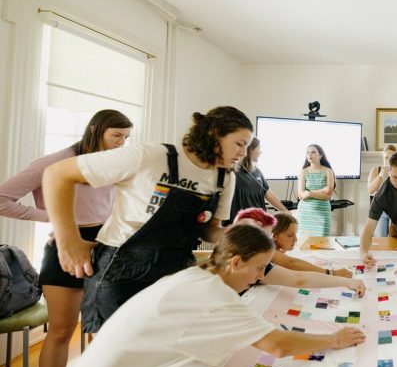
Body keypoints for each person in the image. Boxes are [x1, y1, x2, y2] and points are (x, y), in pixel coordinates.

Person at [41, 224, 365, 367]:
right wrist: (334, 340)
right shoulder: (215, 297)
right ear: (236, 262)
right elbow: (277, 345)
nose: (258, 278)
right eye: (257, 269)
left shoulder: (192, 277)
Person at [43, 105, 253, 333]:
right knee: (113, 353)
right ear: (214, 133)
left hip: (174, 271)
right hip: (120, 270)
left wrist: (229, 234)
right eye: (240, 144)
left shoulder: (225, 179)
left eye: (247, 147)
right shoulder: (150, 156)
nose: (243, 153)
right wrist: (68, 241)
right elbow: (56, 174)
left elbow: (209, 229)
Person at [0, 109, 132, 367]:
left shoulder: (112, 164)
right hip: (65, 250)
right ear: (97, 130)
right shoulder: (53, 163)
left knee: (106, 331)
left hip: (106, 249)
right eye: (117, 136)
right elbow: (2, 199)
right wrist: (55, 218)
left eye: (126, 137)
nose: (122, 143)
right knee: (61, 333)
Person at [234, 208, 352, 277]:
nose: (295, 239)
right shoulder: (266, 249)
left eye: (295, 234)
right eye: (290, 235)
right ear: (274, 236)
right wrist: (332, 273)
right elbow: (292, 263)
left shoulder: (279, 248)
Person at [223, 137, 289, 226]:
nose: (260, 152)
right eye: (259, 149)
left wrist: (285, 211)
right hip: (240, 226)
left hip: (259, 224)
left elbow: (268, 194)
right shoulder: (232, 171)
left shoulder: (257, 171)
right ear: (250, 150)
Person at [297, 144, 335, 236]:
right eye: (308, 152)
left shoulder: (328, 171)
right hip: (305, 214)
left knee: (322, 243)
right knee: (304, 244)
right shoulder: (304, 172)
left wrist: (309, 193)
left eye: (313, 152)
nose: (310, 155)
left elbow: (328, 195)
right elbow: (301, 195)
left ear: (320, 155)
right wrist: (322, 190)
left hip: (322, 214)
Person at [367, 144, 397, 237]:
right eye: (386, 158)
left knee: (394, 238)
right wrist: (381, 175)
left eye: (391, 157)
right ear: (383, 158)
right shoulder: (376, 170)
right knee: (380, 238)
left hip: (395, 210)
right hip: (380, 210)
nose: (388, 160)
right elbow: (370, 190)